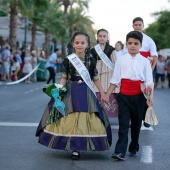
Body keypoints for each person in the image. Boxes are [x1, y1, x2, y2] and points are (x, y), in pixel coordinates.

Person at [36, 32, 112, 160]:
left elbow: (95, 79)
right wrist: (59, 94)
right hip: (71, 91)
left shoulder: (91, 60)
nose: (80, 45)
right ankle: (73, 147)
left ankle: (80, 146)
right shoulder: (68, 59)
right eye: (77, 43)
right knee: (68, 117)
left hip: (86, 93)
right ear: (73, 44)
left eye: (83, 43)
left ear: (87, 45)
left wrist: (103, 93)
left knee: (87, 117)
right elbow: (64, 78)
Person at [106, 31, 153, 161]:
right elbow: (115, 79)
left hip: (139, 97)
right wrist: (107, 94)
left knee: (136, 124)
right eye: (130, 43)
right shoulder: (121, 60)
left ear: (140, 45)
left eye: (136, 44)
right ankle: (120, 151)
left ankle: (134, 147)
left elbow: (148, 81)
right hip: (123, 96)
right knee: (123, 124)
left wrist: (149, 98)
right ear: (126, 44)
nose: (133, 46)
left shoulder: (145, 62)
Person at [123, 17, 158, 128]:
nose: (138, 26)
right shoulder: (128, 40)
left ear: (143, 26)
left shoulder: (149, 40)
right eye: (136, 24)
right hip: (132, 71)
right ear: (132, 26)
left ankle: (146, 117)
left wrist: (151, 68)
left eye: (140, 24)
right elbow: (125, 56)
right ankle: (130, 119)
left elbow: (154, 55)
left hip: (145, 69)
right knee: (132, 95)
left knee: (146, 94)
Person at [91, 29, 118, 118]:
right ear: (97, 37)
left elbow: (115, 63)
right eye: (100, 36)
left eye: (104, 36)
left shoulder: (111, 50)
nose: (102, 38)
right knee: (96, 94)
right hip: (96, 77)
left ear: (107, 38)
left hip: (108, 76)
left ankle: (106, 118)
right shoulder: (93, 50)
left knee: (108, 94)